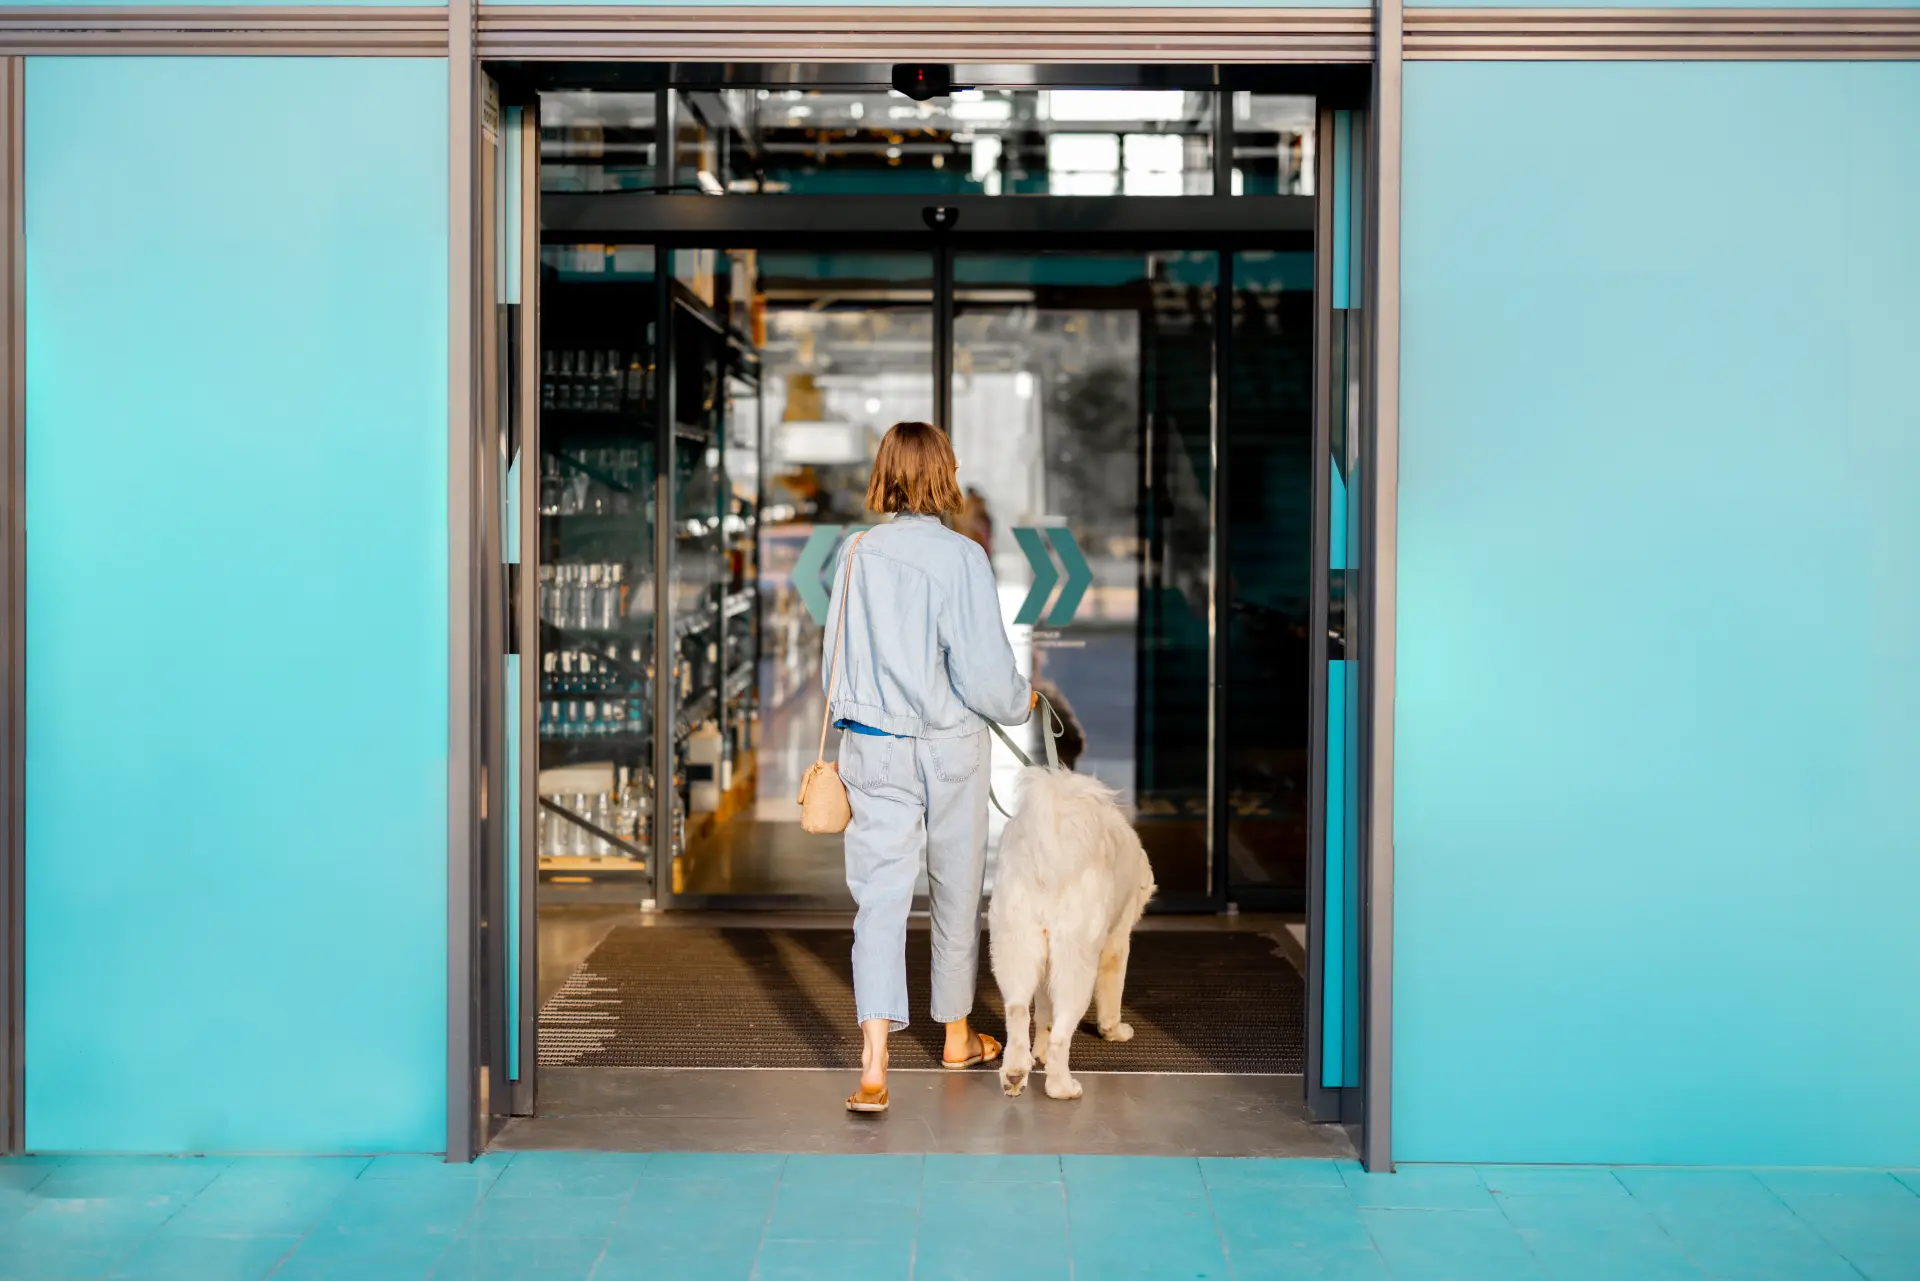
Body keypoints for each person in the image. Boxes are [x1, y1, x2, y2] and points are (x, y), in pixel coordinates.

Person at [823, 421, 1035, 1113]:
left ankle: (874, 1063)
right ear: (944, 473)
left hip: (873, 746)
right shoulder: (962, 557)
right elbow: (985, 675)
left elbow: (834, 666)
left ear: (884, 473)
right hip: (948, 747)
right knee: (955, 887)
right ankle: (956, 1035)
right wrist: (1023, 702)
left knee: (879, 898)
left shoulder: (855, 552)